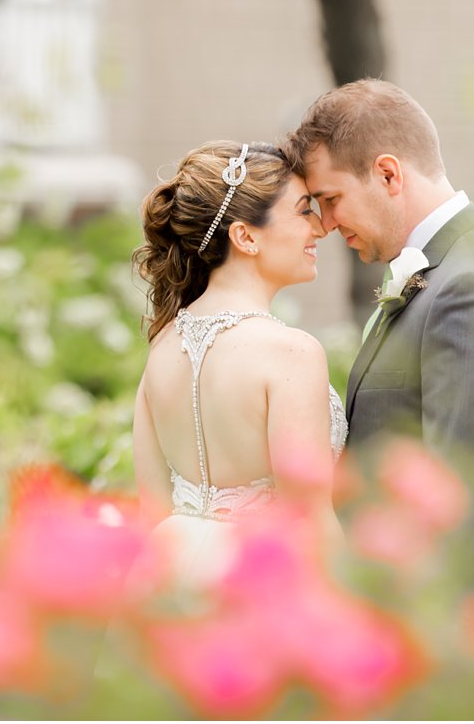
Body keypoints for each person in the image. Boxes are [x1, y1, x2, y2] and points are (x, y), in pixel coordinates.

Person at [292, 78, 474, 608]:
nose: (329, 224)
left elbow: (464, 502)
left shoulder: (469, 289)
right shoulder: (448, 271)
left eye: (330, 200)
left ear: (388, 173)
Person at [130, 140, 344, 591]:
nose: (322, 228)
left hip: (169, 582)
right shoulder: (291, 353)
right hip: (259, 586)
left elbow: (151, 506)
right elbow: (310, 522)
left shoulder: (162, 348)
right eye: (304, 210)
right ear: (246, 236)